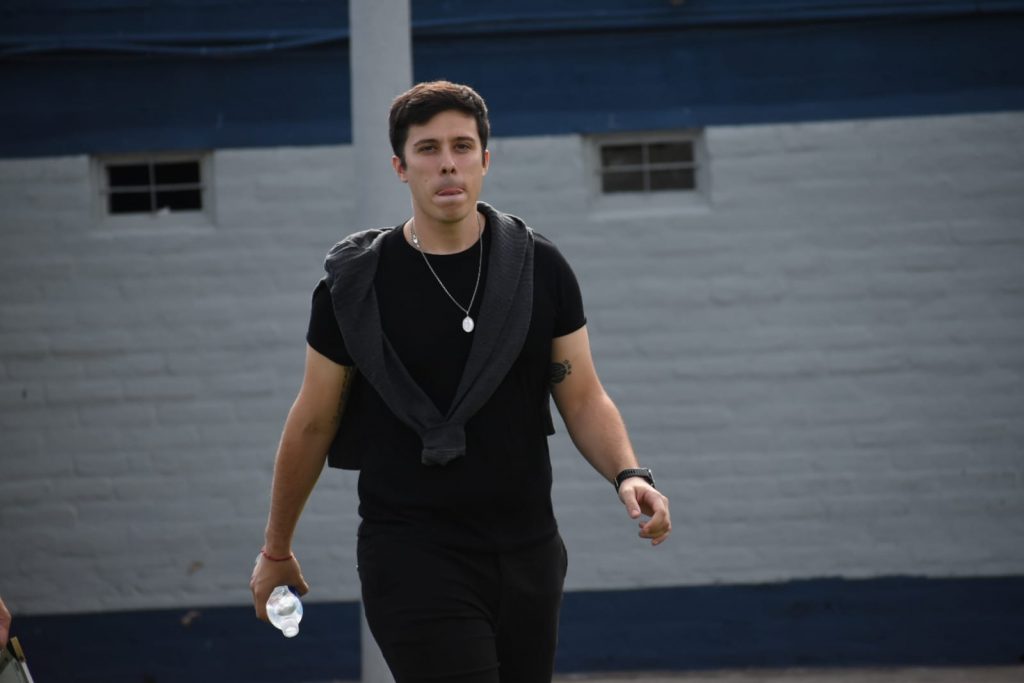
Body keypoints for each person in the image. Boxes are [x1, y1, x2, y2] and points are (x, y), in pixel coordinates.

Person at [250, 80, 671, 682]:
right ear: (401, 167)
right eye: (427, 149)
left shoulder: (539, 267)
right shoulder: (354, 287)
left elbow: (581, 395)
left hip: (528, 548)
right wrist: (277, 549)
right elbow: (314, 420)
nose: (447, 163)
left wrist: (629, 474)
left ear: (484, 160)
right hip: (412, 552)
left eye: (462, 146)